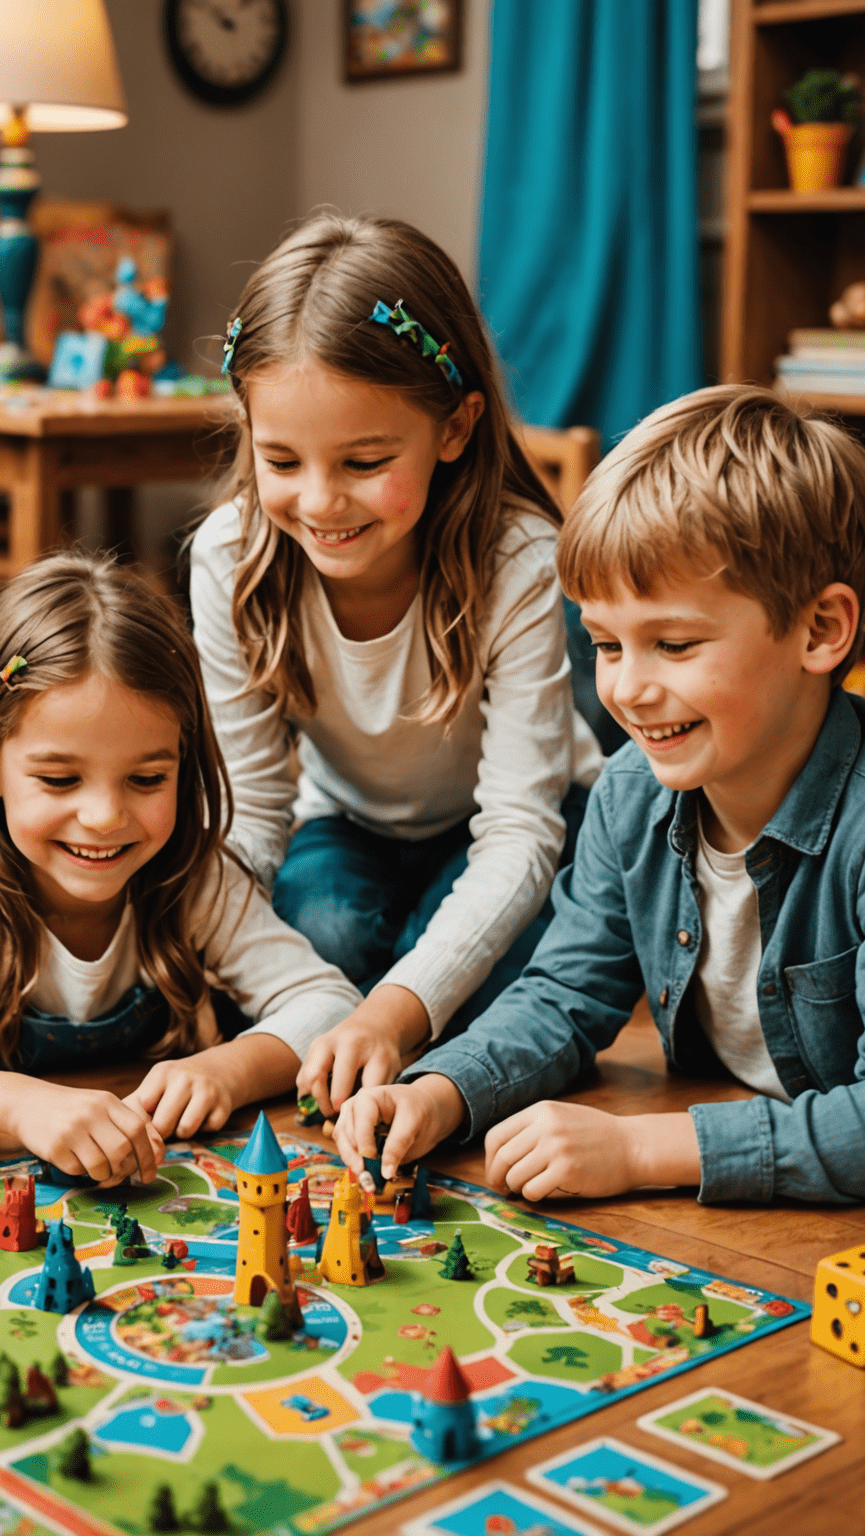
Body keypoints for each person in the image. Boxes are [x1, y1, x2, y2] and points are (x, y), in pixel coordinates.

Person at [335, 384, 865, 1205]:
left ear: (821, 630)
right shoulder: (630, 793)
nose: (628, 690)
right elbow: (566, 995)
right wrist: (439, 1092)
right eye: (606, 644)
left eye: (673, 644)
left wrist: (643, 1150)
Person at [193, 214, 600, 1118]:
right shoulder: (229, 556)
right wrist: (200, 931)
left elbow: (520, 833)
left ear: (454, 428)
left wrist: (392, 1012)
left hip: (520, 828)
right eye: (281, 460)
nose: (321, 500)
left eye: (366, 461)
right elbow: (253, 810)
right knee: (315, 944)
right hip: (350, 823)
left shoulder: (518, 560)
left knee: (478, 1007)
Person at [0, 552, 362, 1184]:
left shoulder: (195, 880)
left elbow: (334, 1006)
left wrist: (228, 1071)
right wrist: (21, 1105)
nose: (102, 816)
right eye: (60, 778)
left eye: (147, 779)